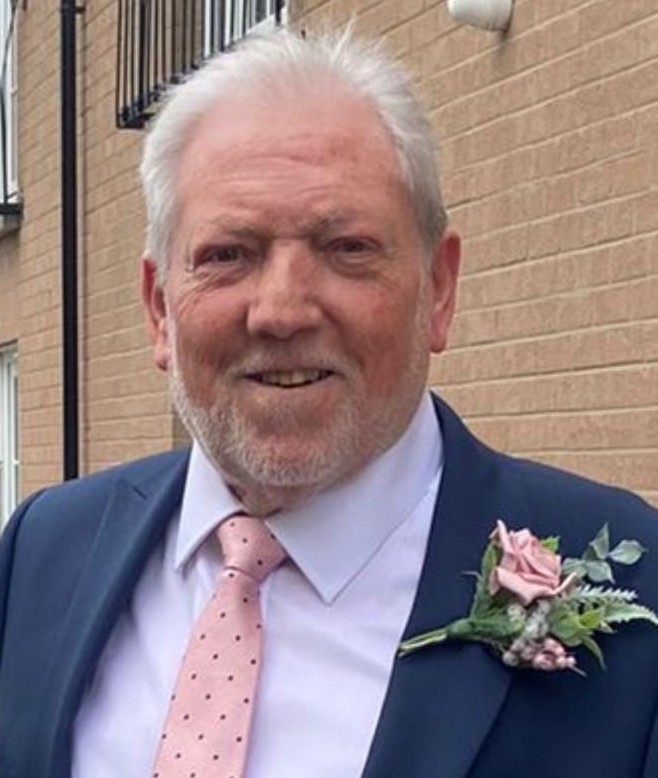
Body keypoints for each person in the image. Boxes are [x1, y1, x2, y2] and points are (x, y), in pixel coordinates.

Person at [2, 28, 658, 778]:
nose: (281, 311)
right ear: (159, 309)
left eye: (347, 248)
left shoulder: (636, 588)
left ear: (439, 289)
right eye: (228, 255)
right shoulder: (42, 550)